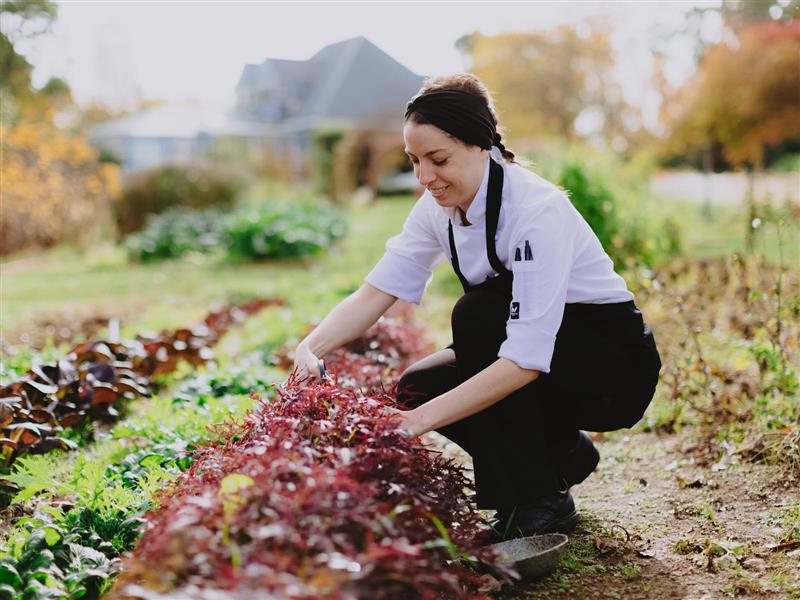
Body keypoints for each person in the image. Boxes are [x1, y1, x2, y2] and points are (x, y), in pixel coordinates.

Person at [293, 74, 661, 542]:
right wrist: (311, 347)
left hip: (609, 366)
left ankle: (538, 499)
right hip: (548, 355)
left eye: (438, 160)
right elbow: (375, 291)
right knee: (418, 387)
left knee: (478, 316)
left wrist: (414, 426)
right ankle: (565, 454)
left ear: (482, 144)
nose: (425, 177)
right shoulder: (437, 208)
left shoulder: (536, 211)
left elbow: (524, 360)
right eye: (414, 161)